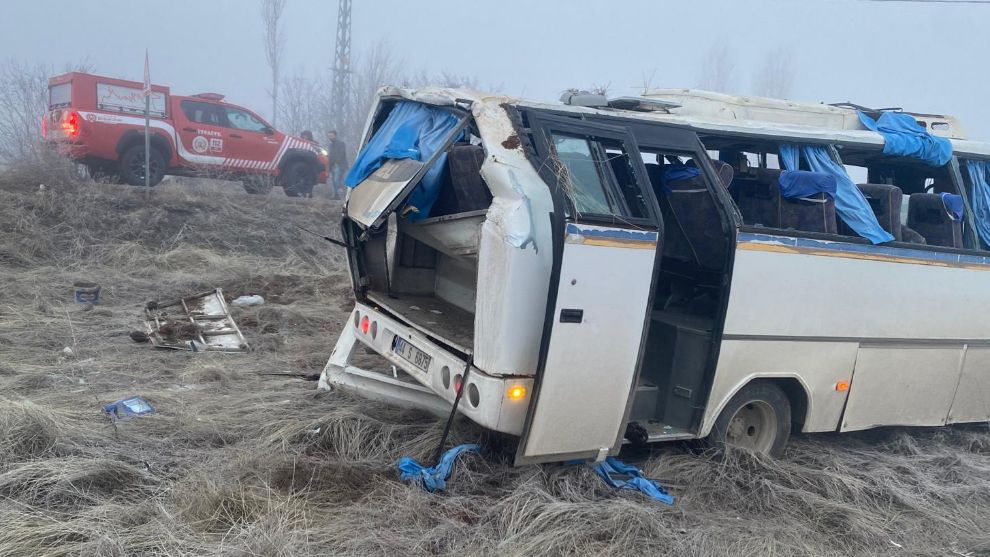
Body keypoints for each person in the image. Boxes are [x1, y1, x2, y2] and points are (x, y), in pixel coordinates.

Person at [327, 130, 348, 199]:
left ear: (335, 135)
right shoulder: (330, 145)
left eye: (331, 135)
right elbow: (330, 156)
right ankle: (336, 195)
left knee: (337, 180)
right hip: (333, 166)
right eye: (329, 136)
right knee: (333, 181)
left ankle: (345, 194)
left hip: (340, 165)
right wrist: (329, 166)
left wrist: (337, 162)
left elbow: (342, 154)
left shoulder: (341, 144)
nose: (330, 137)